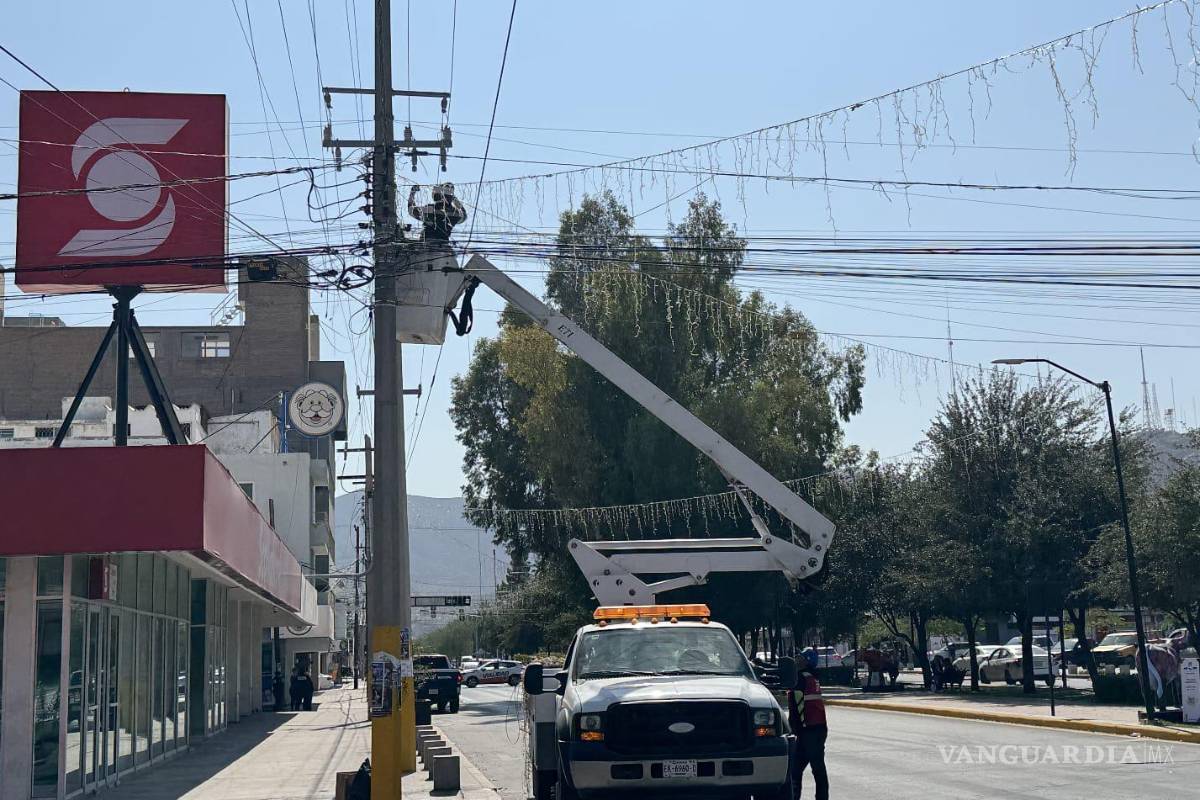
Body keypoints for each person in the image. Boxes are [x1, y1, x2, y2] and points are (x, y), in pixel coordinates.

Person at [788, 648, 829, 800]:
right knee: (797, 770)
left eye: (801, 657)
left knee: (814, 769)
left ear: (807, 661)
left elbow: (796, 708)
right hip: (815, 729)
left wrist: (792, 728)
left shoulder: (800, 678)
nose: (797, 659)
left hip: (809, 730)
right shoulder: (812, 677)